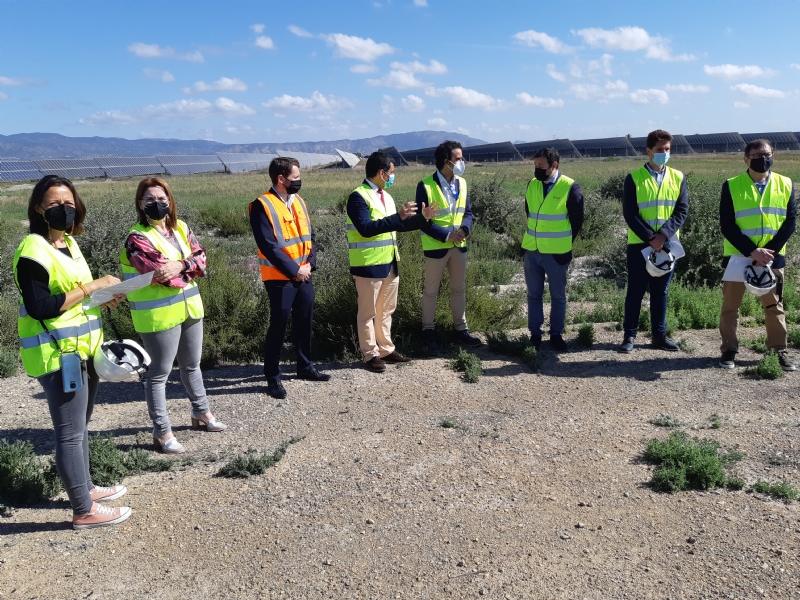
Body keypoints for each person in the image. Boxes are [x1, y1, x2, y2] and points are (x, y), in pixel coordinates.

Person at [14, 175, 131, 529]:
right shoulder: (33, 250)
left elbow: (74, 297)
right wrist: (93, 286)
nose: (64, 210)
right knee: (68, 432)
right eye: (54, 205)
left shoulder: (67, 244)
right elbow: (41, 307)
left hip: (83, 351)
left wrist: (102, 299)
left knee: (79, 427)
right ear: (38, 209)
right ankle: (83, 510)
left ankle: (85, 489)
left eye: (68, 203)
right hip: (57, 355)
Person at [121, 177, 226, 454]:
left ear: (170, 200)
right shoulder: (136, 238)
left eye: (162, 198)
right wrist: (187, 266)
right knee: (159, 374)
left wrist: (181, 263)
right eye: (150, 200)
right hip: (158, 316)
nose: (157, 204)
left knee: (192, 364)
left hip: (190, 308)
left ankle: (201, 413)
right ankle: (162, 431)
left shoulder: (180, 228)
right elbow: (162, 276)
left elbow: (202, 260)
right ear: (140, 204)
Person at [249, 157, 330, 398]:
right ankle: (272, 377)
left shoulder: (299, 201)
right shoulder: (262, 205)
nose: (299, 181)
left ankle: (305, 367)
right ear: (281, 179)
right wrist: (295, 270)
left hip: (304, 273)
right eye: (295, 177)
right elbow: (268, 245)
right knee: (279, 325)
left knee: (305, 320)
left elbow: (310, 236)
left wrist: (309, 264)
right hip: (279, 277)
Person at [347, 151, 430, 372]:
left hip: (390, 263)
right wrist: (398, 217)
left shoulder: (386, 196)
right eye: (392, 172)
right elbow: (365, 229)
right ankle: (370, 354)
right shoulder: (358, 197)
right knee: (367, 312)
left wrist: (423, 218)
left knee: (386, 310)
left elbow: (398, 225)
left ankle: (385, 349)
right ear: (382, 173)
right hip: (368, 265)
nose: (393, 176)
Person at [718, 139, 797, 370]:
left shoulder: (786, 184)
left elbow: (790, 222)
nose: (763, 159)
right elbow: (727, 224)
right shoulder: (731, 185)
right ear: (746, 160)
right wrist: (752, 251)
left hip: (772, 257)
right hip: (738, 256)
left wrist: (767, 252)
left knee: (774, 305)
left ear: (773, 156)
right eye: (757, 156)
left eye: (767, 154)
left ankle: (778, 350)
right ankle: (729, 349)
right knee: (730, 306)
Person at [620, 129, 689, 353]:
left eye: (667, 149)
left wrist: (663, 236)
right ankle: (629, 336)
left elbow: (681, 210)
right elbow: (630, 213)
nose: (664, 153)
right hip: (640, 244)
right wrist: (651, 238)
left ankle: (659, 336)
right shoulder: (633, 178)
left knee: (661, 292)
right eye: (660, 150)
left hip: (668, 244)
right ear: (648, 151)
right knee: (636, 291)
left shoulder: (678, 177)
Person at [415, 140, 481, 352]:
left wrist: (464, 230)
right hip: (436, 247)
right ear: (447, 161)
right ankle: (428, 331)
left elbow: (468, 212)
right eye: (459, 158)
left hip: (459, 246)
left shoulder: (462, 183)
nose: (462, 162)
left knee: (458, 289)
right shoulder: (425, 185)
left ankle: (461, 330)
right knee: (431, 291)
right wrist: (447, 236)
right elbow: (421, 221)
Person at [522, 147, 584, 351]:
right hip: (532, 250)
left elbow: (577, 222)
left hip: (557, 254)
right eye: (535, 165)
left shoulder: (570, 187)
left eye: (540, 166)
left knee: (558, 296)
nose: (536, 169)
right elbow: (529, 212)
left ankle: (556, 334)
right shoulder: (532, 183)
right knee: (533, 295)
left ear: (554, 165)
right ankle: (535, 334)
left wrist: (563, 243)